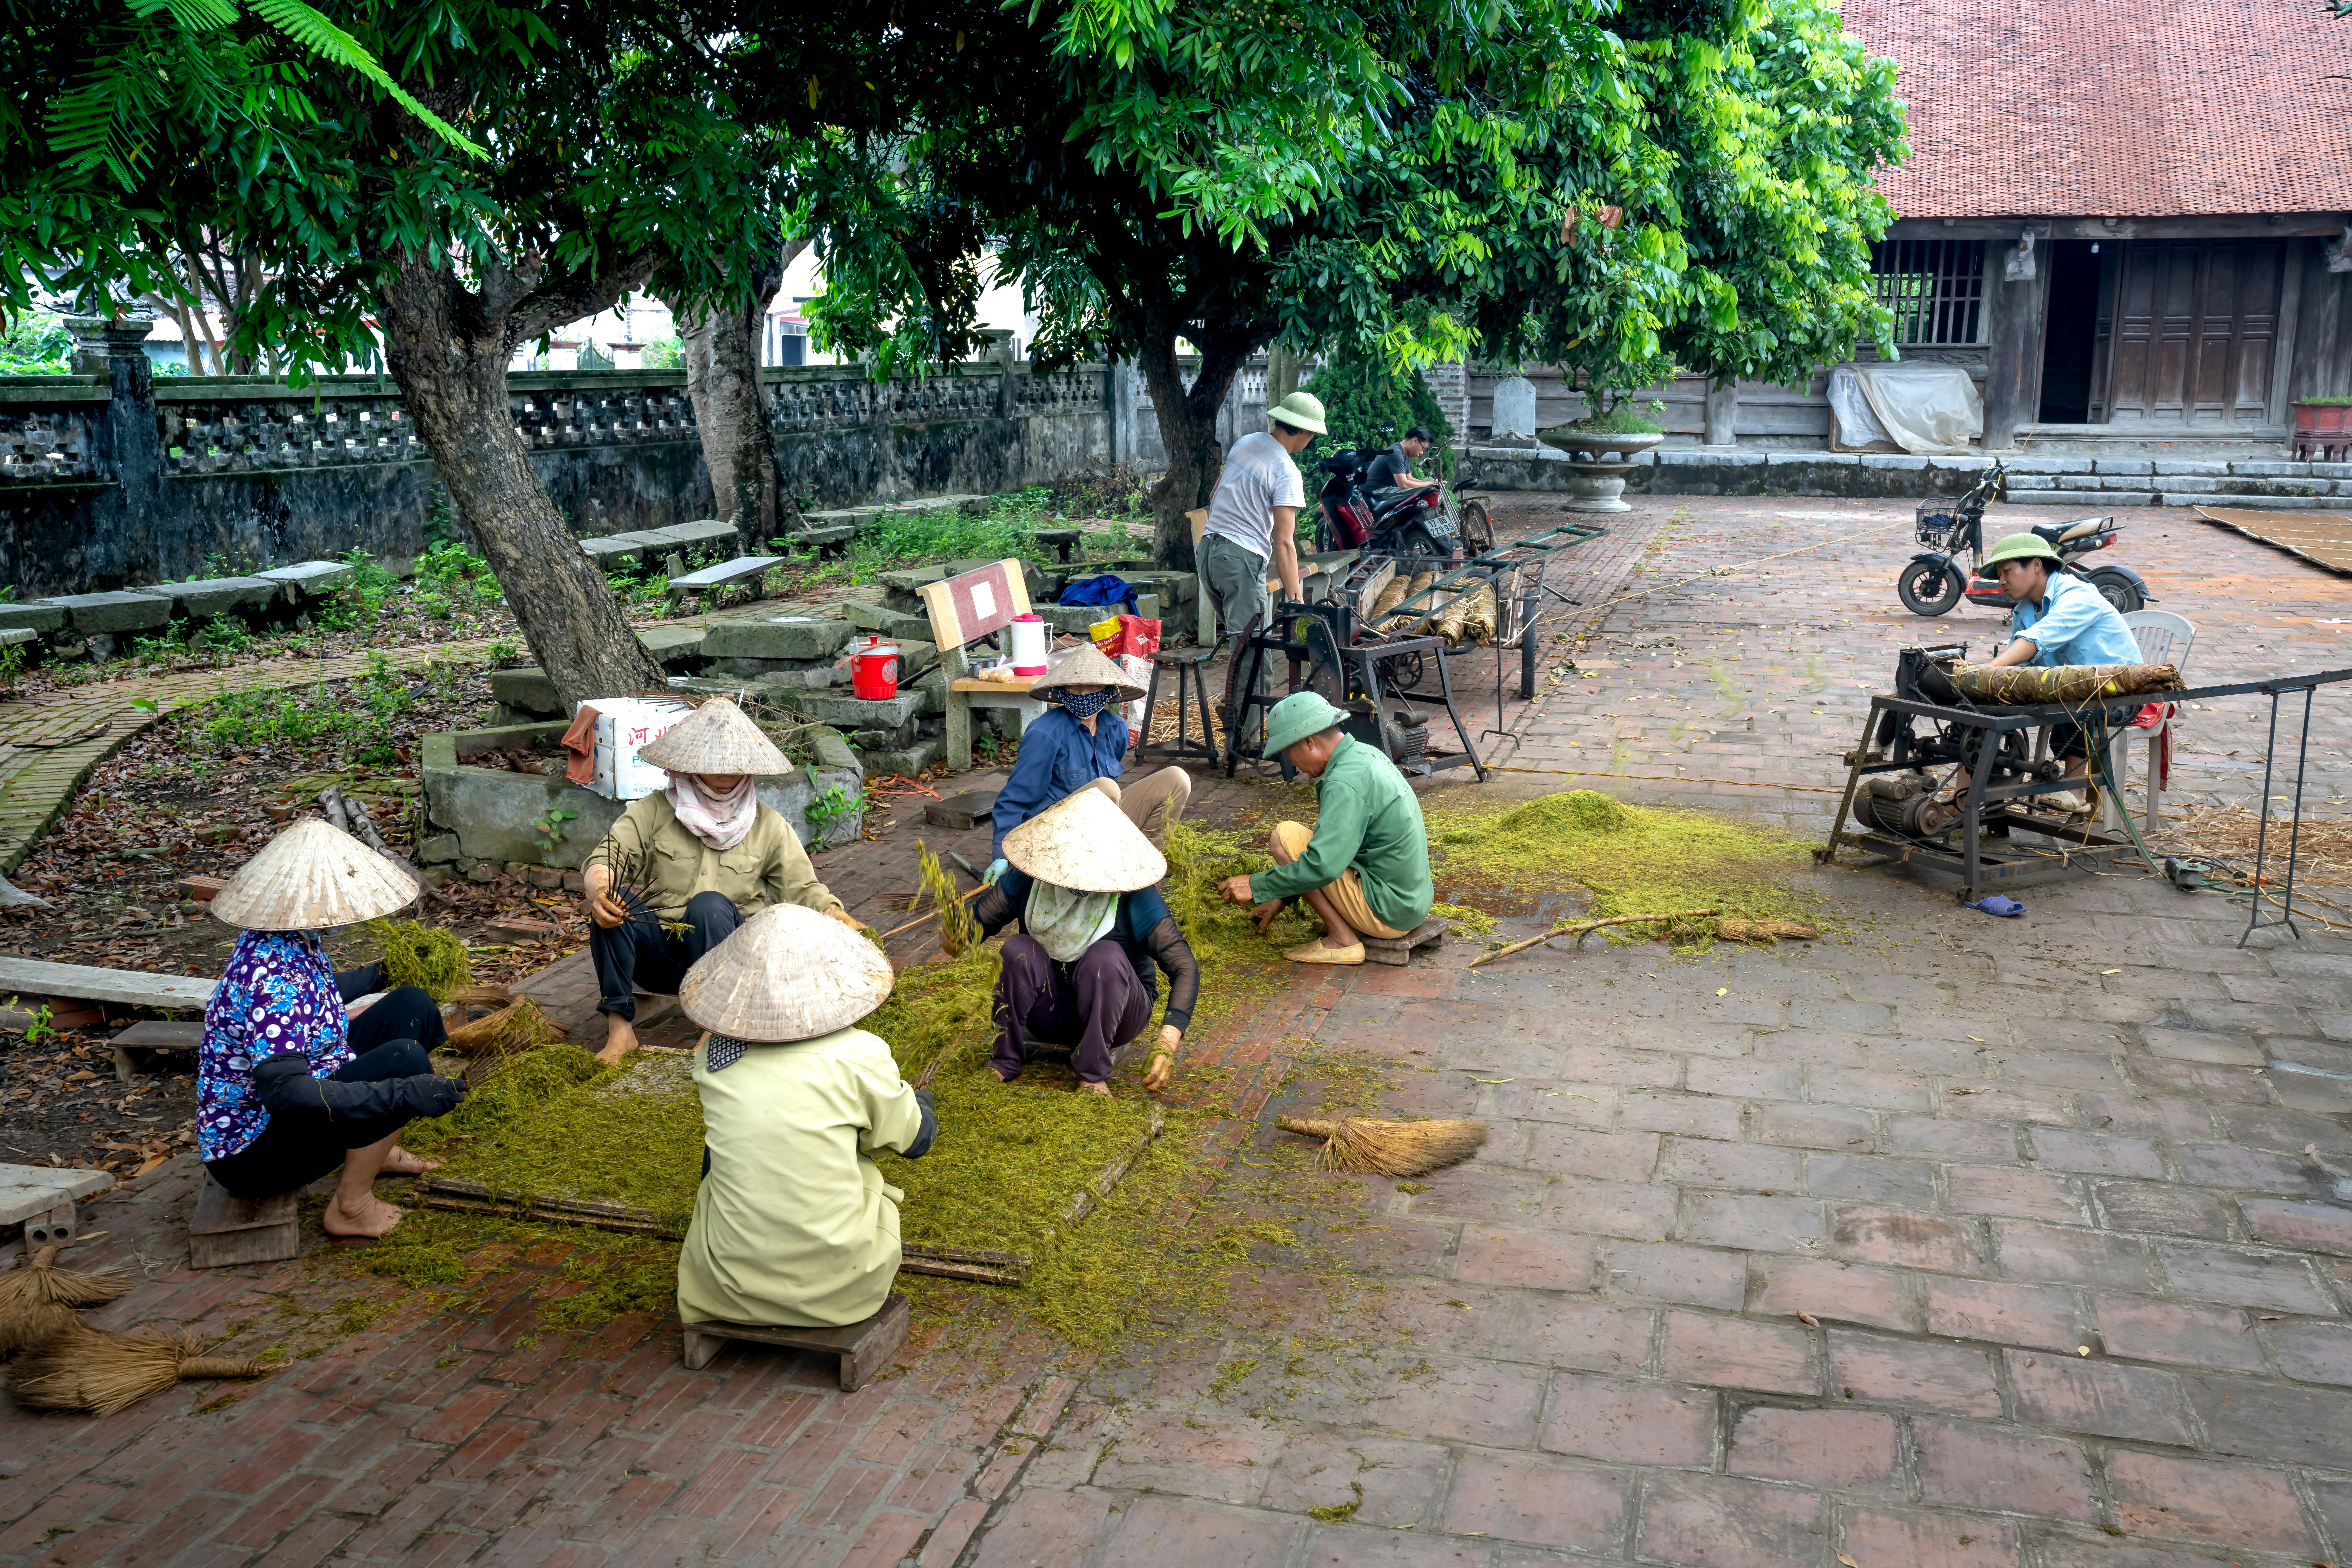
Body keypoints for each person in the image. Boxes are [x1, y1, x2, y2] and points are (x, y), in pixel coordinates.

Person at [198, 818, 466, 1238]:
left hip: (307, 1084)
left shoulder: (286, 936)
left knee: (410, 1003)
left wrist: (385, 973)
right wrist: (399, 1095)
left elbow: (316, 991)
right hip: (254, 1152)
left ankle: (376, 1148)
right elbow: (284, 1092)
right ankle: (351, 1207)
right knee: (405, 1064)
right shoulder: (272, 982)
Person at [674, 903, 937, 1330]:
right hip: (839, 1291)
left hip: (726, 1287)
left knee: (718, 1153)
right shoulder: (860, 1055)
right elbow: (913, 1142)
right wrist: (921, 1102)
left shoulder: (713, 1057)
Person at [582, 697, 862, 1065]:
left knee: (709, 905)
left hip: (731, 967)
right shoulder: (653, 812)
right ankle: (620, 1031)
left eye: (735, 762)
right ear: (691, 765)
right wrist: (600, 892)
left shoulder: (769, 826)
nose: (726, 770)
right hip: (660, 960)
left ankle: (715, 1033)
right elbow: (605, 858)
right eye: (715, 762)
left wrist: (839, 918)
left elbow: (804, 890)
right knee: (617, 902)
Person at [959, 787, 1198, 1096]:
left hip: (1118, 1013)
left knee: (1105, 957)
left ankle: (1093, 1075)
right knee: (1018, 949)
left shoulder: (1134, 896)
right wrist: (958, 935)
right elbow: (977, 924)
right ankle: (1006, 1059)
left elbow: (1185, 968)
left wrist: (1167, 1042)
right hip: (1050, 1009)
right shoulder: (1033, 877)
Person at [1218, 692, 1433, 965]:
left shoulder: (1345, 782)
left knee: (1285, 838)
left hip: (1389, 911)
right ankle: (1348, 924)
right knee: (1304, 843)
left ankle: (1343, 941)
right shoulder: (1364, 754)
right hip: (1410, 903)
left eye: (1290, 755)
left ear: (1309, 742)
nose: (1294, 766)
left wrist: (1256, 885)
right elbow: (1341, 849)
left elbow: (1323, 866)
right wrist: (1281, 898)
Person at [988, 644, 1191, 880]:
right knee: (1106, 788)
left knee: (1177, 779)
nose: (1083, 693)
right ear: (1063, 690)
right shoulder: (1045, 734)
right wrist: (1001, 855)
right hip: (1055, 837)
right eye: (1075, 686)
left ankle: (1142, 869)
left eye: (1093, 686)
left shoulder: (1116, 728)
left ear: (1107, 691)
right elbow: (1015, 799)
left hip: (1100, 830)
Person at [1980, 532, 2146, 813]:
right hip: (2069, 688)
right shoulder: (2025, 610)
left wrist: (1989, 669)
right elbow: (2019, 661)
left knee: (2075, 695)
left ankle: (2075, 792)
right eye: (1999, 575)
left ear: (2035, 565)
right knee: (1988, 704)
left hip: (2121, 693)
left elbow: (2039, 639)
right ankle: (1967, 798)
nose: (2002, 582)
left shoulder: (2077, 595)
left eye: (2007, 572)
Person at [1200, 391, 1324, 749]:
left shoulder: (1247, 443)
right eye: (1312, 434)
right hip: (1239, 561)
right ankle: (1247, 743)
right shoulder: (1287, 470)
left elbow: (1214, 497)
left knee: (1241, 647)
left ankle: (1236, 722)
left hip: (1209, 552)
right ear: (1303, 432)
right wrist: (1297, 601)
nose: (1311, 441)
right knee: (1256, 654)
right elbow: (1285, 543)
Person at [1365, 426, 1441, 496]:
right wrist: (1429, 485)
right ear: (1415, 441)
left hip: (1384, 490)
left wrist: (1433, 483)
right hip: (1373, 493)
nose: (1422, 453)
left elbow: (1409, 479)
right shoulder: (1396, 453)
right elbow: (1404, 485)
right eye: (1423, 448)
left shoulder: (1405, 454)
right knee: (1415, 493)